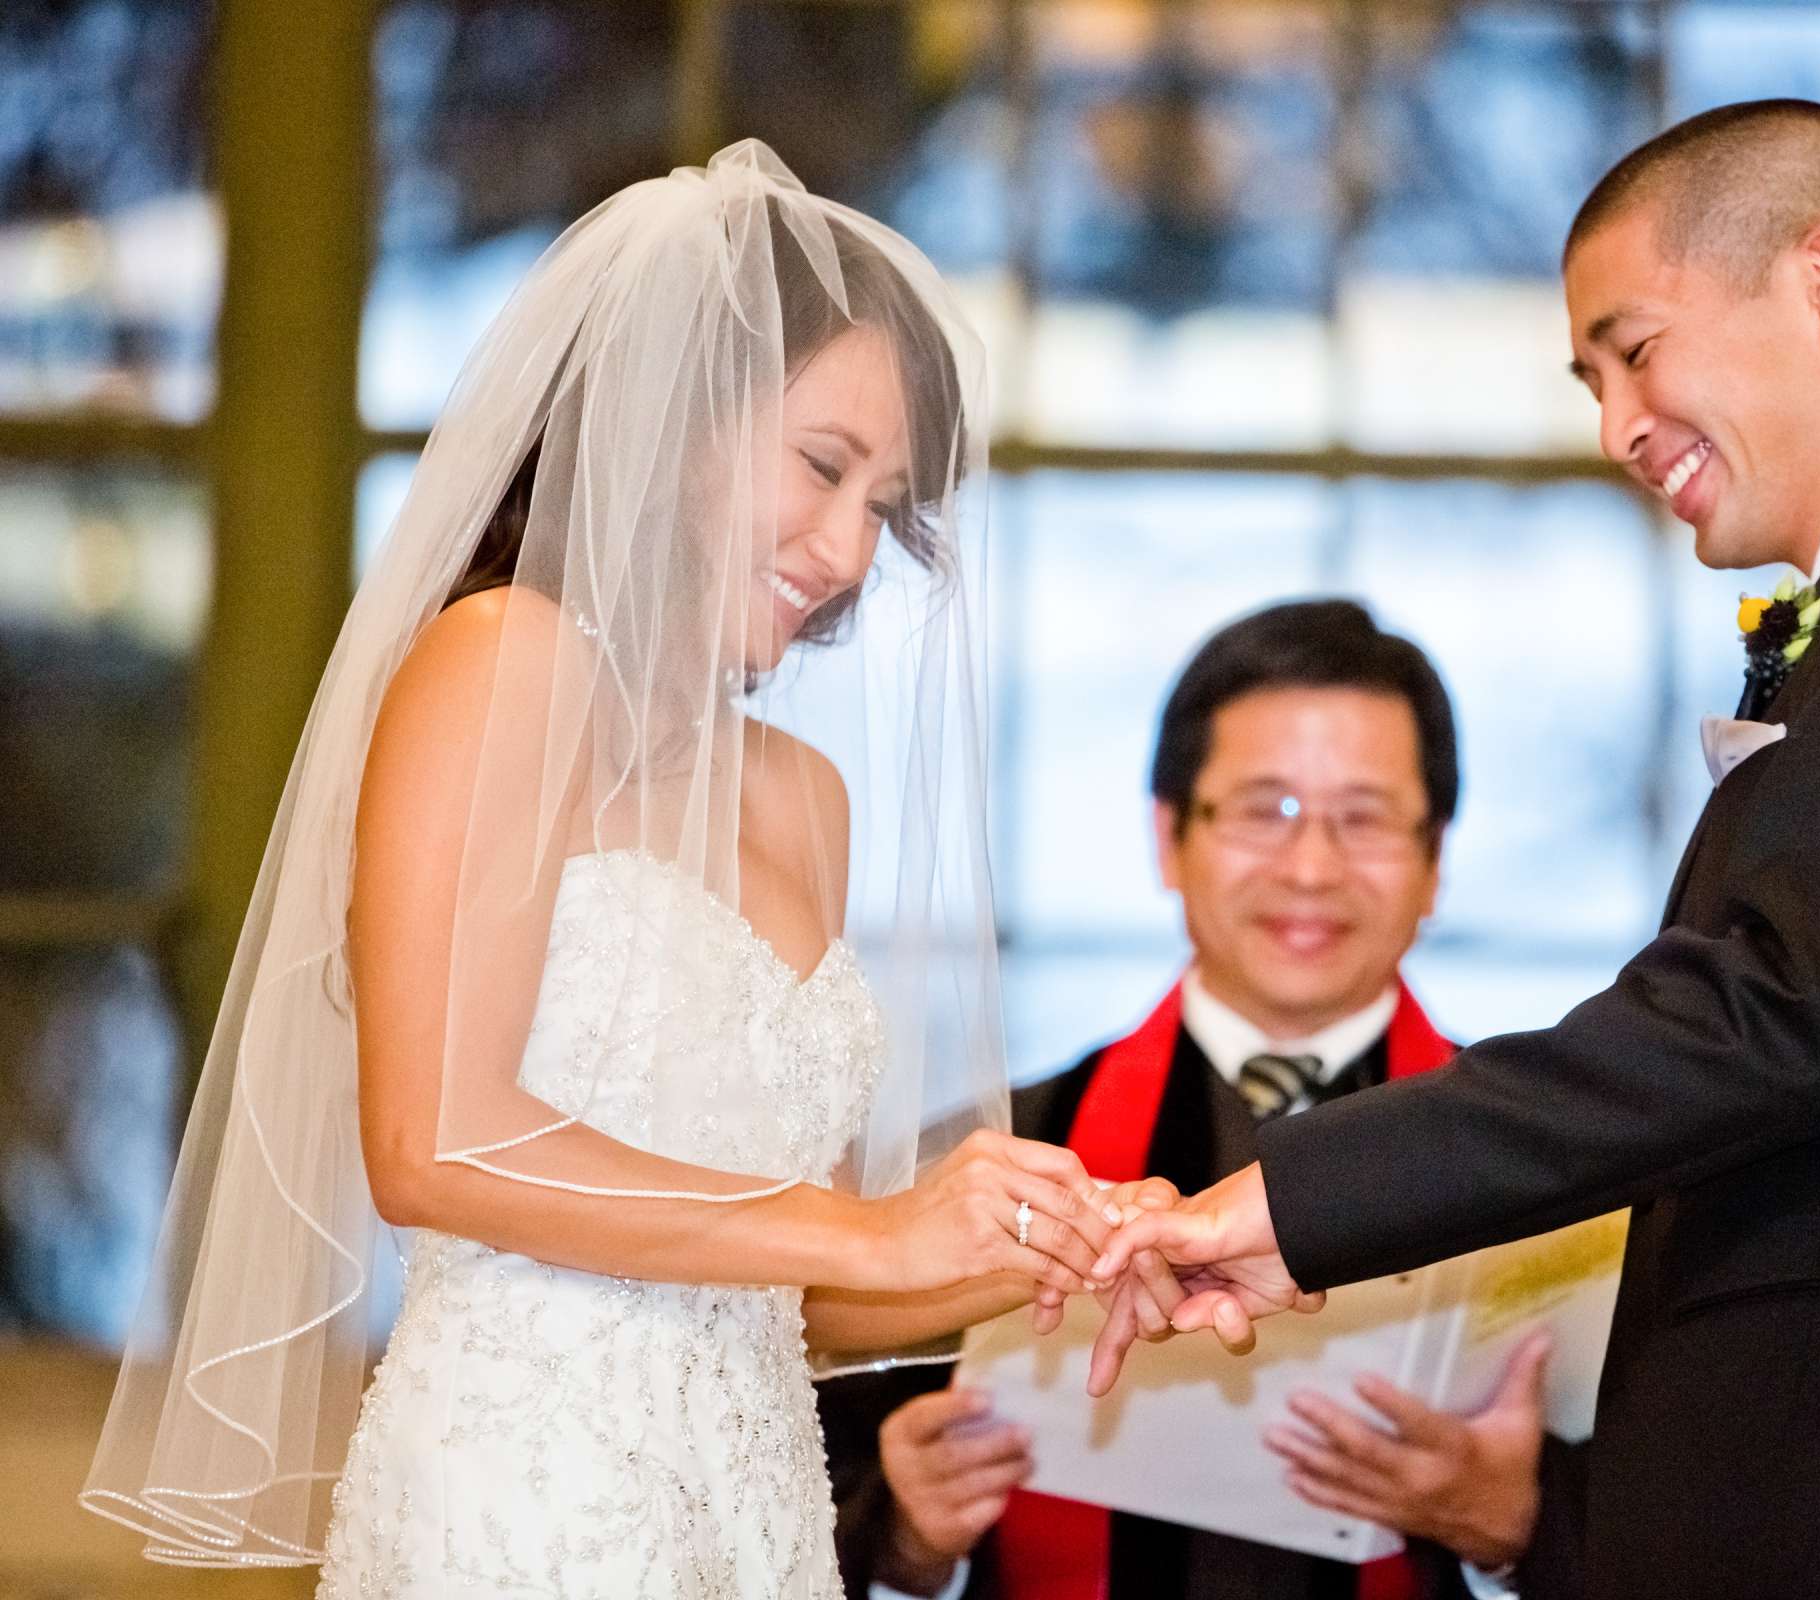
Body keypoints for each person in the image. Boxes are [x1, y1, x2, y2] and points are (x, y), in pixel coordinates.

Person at [1087, 100, 1820, 1600]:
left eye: (1634, 350)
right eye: (1591, 380)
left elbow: (1779, 1009)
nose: (1614, 427)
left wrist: (1304, 1197)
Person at [81, 142, 1117, 1599]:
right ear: (670, 418)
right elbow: (432, 1144)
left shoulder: (806, 795)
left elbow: (790, 1286)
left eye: (887, 509)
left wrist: (1051, 1256)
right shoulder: (500, 663)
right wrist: (875, 1222)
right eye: (822, 467)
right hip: (523, 1499)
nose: (845, 550)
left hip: (757, 1513)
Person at [822, 600, 1554, 1600]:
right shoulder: (1000, 1152)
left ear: (1435, 858)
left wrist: (1518, 1526)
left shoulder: (1545, 1165)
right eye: (1265, 809)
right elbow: (794, 1474)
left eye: (1364, 817)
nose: (1311, 868)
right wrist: (907, 1535)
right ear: (1170, 836)